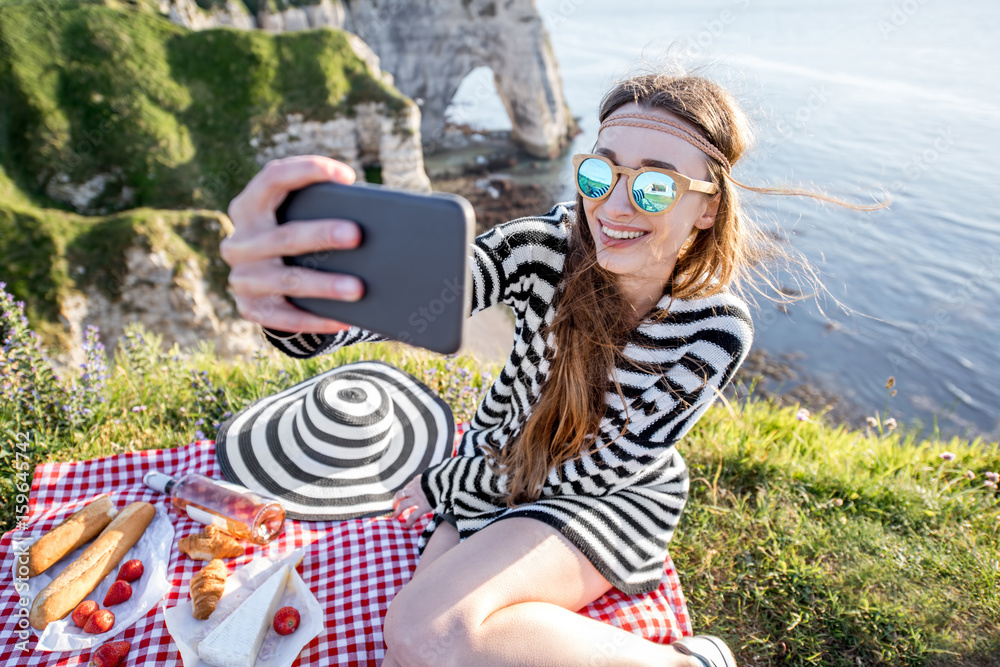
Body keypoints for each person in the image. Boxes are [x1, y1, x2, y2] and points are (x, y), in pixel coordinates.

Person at [222, 71, 874, 666]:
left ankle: (692, 662)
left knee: (427, 630)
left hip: (608, 496)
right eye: (599, 174)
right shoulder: (540, 247)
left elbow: (608, 466)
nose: (614, 207)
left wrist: (456, 481)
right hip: (504, 462)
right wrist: (297, 303)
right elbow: (418, 300)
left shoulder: (716, 329)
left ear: (705, 207)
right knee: (411, 650)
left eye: (653, 185)